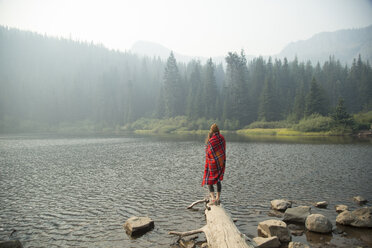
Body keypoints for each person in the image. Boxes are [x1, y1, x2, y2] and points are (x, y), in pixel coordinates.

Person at [202, 123, 226, 205]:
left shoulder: (211, 139)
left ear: (211, 130)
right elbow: (223, 150)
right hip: (220, 162)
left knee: (209, 180)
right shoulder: (222, 138)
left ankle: (213, 199)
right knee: (218, 180)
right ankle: (218, 198)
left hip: (212, 163)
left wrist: (210, 159)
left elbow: (209, 151)